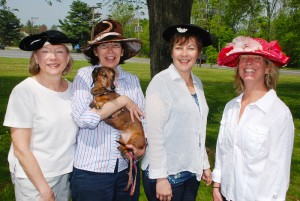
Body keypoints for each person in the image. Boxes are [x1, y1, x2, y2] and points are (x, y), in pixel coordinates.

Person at [70, 19, 146, 201]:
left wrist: (142, 148)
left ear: (122, 50)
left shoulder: (132, 80)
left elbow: (144, 117)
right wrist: (122, 101)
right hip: (92, 171)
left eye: (115, 46)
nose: (110, 51)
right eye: (104, 46)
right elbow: (84, 120)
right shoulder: (84, 76)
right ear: (95, 51)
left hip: (125, 168)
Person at [212, 36, 295, 201]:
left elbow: (279, 171)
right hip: (226, 194)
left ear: (267, 68)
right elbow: (223, 151)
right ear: (238, 67)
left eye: (256, 58)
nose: (248, 62)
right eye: (243, 58)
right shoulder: (230, 107)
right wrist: (217, 185)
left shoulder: (278, 113)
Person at [3, 30, 78, 201]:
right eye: (45, 52)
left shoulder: (74, 90)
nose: (53, 57)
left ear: (67, 58)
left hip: (66, 174)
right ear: (36, 58)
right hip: (35, 180)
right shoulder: (24, 92)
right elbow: (21, 149)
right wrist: (43, 189)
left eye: (59, 51)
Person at [141, 24, 213, 201]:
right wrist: (161, 178)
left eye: (191, 48)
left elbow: (198, 129)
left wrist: (204, 164)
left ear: (198, 53)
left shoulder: (197, 83)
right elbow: (154, 134)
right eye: (178, 47)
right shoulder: (161, 83)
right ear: (171, 51)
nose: (184, 54)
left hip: (190, 172)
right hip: (168, 175)